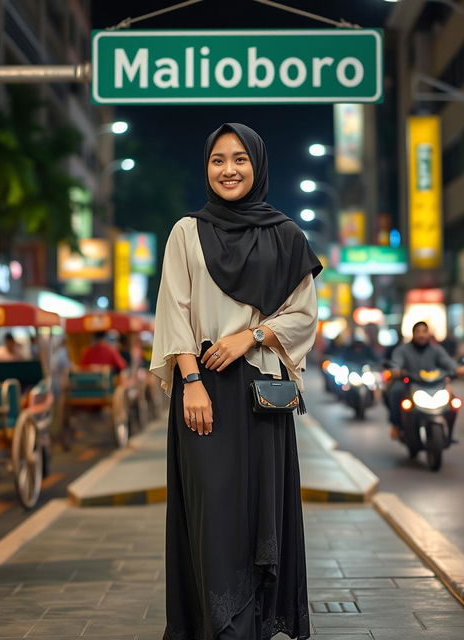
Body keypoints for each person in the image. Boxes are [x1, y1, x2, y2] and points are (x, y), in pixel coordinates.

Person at [150, 123, 321, 640]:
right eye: (218, 160)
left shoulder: (287, 234)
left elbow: (304, 315)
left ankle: (258, 619)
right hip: (204, 391)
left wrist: (251, 336)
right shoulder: (186, 231)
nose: (229, 170)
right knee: (213, 510)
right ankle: (218, 623)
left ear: (258, 166)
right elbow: (173, 311)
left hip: (261, 393)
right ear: (206, 168)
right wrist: (192, 381)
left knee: (259, 510)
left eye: (240, 159)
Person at [388, 321, 464, 440]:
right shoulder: (403, 350)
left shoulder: (436, 349)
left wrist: (458, 369)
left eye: (424, 331)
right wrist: (395, 370)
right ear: (413, 334)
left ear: (428, 333)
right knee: (396, 391)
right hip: (412, 383)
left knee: (453, 401)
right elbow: (396, 362)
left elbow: (447, 362)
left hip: (435, 384)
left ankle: (449, 430)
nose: (421, 335)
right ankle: (396, 424)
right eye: (418, 332)